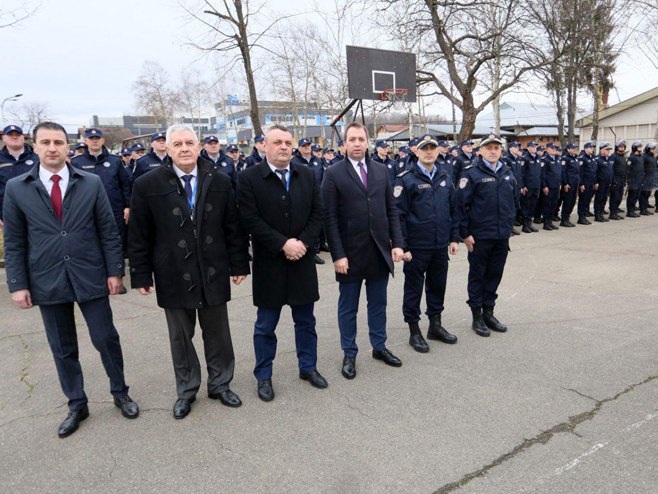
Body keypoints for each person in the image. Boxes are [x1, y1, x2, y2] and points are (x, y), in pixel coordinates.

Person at [3, 121, 139, 438]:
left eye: (59, 142)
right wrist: (18, 284)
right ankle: (77, 403)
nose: (52, 148)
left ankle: (120, 392)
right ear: (33, 146)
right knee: (63, 347)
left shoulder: (90, 183)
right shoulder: (17, 188)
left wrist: (114, 271)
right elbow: (14, 241)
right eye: (46, 142)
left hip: (90, 274)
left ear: (68, 147)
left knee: (106, 338)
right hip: (46, 279)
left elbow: (108, 230)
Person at [128, 124, 249, 419]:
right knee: (181, 337)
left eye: (189, 143)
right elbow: (139, 234)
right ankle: (187, 390)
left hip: (213, 269)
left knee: (218, 333)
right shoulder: (147, 184)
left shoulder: (219, 179)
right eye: (177, 144)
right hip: (171, 271)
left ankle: (220, 384)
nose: (184, 148)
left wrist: (239, 263)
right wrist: (141, 274)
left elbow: (232, 227)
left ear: (199, 147)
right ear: (167, 149)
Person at [238, 125, 327, 401]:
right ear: (264, 145)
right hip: (270, 263)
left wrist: (302, 243)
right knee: (266, 325)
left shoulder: (307, 174)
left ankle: (308, 367)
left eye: (288, 142)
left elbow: (318, 213)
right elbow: (250, 219)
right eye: (277, 142)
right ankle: (263, 375)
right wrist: (282, 244)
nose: (284, 147)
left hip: (302, 261)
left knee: (306, 321)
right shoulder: (249, 178)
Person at [322, 122, 405, 379]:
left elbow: (391, 209)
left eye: (361, 138)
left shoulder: (381, 171)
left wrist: (398, 243)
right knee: (349, 307)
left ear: (367, 141)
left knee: (378, 303)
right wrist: (338, 254)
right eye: (352, 139)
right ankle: (349, 352)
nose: (357, 143)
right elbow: (330, 218)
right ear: (344, 143)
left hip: (379, 250)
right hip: (350, 254)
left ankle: (379, 347)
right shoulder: (333, 173)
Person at [393, 134, 459, 353]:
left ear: (438, 151)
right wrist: (403, 246)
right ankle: (414, 330)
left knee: (437, 284)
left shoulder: (444, 175)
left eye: (433, 148)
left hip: (440, 244)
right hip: (417, 246)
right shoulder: (406, 178)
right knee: (413, 289)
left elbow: (452, 209)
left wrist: (453, 237)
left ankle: (435, 326)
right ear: (416, 152)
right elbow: (398, 215)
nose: (429, 152)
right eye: (425, 148)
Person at [455, 134, 518, 337]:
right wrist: (464, 234)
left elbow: (513, 200)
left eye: (496, 148)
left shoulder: (507, 171)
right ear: (479, 151)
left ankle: (489, 312)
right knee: (478, 277)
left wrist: (509, 225)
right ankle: (477, 316)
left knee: (494, 276)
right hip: (479, 237)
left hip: (501, 236)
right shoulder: (471, 174)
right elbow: (461, 206)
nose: (493, 151)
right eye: (488, 147)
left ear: (501, 151)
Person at [71, 129, 131, 279]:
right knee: (92, 242)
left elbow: (125, 185)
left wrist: (127, 207)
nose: (95, 141)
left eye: (97, 138)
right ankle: (98, 276)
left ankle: (117, 276)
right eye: (91, 138)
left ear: (103, 140)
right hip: (87, 210)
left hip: (114, 209)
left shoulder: (115, 161)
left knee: (115, 242)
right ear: (86, 141)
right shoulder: (77, 162)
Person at [0, 125, 39, 231]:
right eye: (10, 135)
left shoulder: (38, 158)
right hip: (7, 213)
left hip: (37, 213)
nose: (14, 137)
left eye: (17, 134)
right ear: (3, 138)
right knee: (15, 245)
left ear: (23, 137)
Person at [520, 141, 541, 233]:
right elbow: (522, 174)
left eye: (535, 146)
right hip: (528, 186)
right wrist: (523, 185)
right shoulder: (525, 158)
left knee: (533, 205)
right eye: (532, 146)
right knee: (526, 205)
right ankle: (525, 225)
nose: (534, 148)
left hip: (536, 185)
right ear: (528, 148)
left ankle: (530, 223)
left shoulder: (538, 158)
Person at [540, 143, 562, 230]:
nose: (554, 150)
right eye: (552, 148)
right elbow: (543, 174)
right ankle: (546, 223)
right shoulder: (545, 160)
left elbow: (559, 173)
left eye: (555, 148)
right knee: (547, 205)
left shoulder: (557, 159)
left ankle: (550, 222)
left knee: (554, 204)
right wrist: (544, 186)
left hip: (556, 186)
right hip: (549, 186)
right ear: (547, 149)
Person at [560, 143, 580, 227]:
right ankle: (564, 220)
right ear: (568, 149)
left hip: (575, 183)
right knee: (567, 202)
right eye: (572, 148)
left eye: (575, 148)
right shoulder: (565, 158)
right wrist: (565, 183)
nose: (574, 149)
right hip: (568, 184)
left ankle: (567, 218)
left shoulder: (575, 158)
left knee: (572, 201)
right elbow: (563, 172)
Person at [577, 142, 597, 224]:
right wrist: (581, 184)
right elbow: (580, 173)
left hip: (591, 183)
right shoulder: (582, 158)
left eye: (593, 147)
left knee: (587, 200)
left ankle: (584, 216)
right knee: (583, 200)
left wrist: (595, 182)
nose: (592, 149)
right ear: (586, 148)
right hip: (584, 183)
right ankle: (581, 218)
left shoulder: (592, 158)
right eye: (590, 147)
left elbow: (594, 171)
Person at [593, 143, 613, 222]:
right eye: (607, 150)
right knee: (599, 199)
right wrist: (596, 182)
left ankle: (601, 214)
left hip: (607, 183)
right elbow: (595, 172)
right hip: (600, 183)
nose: (609, 151)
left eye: (609, 150)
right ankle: (597, 215)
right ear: (602, 150)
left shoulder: (608, 159)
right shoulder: (597, 159)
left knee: (604, 199)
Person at [609, 140, 627, 220]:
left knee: (619, 197)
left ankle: (616, 212)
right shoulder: (613, 156)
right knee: (614, 197)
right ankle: (612, 214)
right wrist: (613, 180)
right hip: (616, 180)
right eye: (620, 146)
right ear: (617, 147)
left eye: (623, 147)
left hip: (622, 180)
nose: (622, 148)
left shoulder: (622, 157)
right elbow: (611, 169)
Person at [626, 141, 644, 217]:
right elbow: (628, 169)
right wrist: (629, 180)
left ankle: (633, 210)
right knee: (631, 196)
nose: (641, 148)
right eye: (639, 147)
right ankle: (629, 212)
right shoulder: (632, 157)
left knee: (636, 196)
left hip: (639, 180)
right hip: (633, 180)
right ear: (635, 148)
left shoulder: (641, 157)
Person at [640, 142, 657, 215]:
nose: (654, 150)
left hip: (651, 177)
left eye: (654, 148)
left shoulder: (653, 156)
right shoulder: (644, 156)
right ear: (648, 149)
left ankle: (645, 207)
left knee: (648, 193)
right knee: (644, 194)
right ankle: (643, 209)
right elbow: (641, 167)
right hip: (645, 178)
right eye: (652, 148)